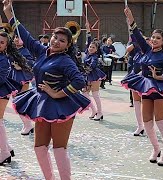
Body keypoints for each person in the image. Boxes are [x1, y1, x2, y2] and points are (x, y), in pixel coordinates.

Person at [3, 0, 90, 179]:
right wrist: (9, 14)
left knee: (59, 148)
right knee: (39, 147)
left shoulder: (65, 60)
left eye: (62, 40)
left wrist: (57, 92)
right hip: (42, 103)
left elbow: (79, 81)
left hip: (62, 104)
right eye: (55, 37)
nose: (56, 41)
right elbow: (25, 36)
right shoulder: (43, 51)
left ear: (68, 45)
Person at [122, 6, 163, 166]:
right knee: (147, 122)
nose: (154, 40)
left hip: (160, 91)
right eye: (153, 37)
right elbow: (137, 35)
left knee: (161, 121)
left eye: (158, 38)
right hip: (146, 88)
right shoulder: (146, 50)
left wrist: (160, 76)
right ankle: (155, 148)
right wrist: (131, 18)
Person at [0, 25, 22, 165]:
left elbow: (1, 78)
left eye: (2, 42)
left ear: (6, 46)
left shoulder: (4, 59)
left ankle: (4, 152)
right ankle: (7, 148)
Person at [11, 34, 35, 135]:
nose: (17, 39)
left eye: (20, 37)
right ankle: (27, 124)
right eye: (16, 37)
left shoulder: (26, 51)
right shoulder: (13, 50)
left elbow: (31, 62)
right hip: (13, 77)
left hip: (22, 78)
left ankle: (28, 124)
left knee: (20, 101)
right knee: (16, 101)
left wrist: (20, 67)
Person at [82, 22, 106, 121]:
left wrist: (86, 70)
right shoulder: (87, 53)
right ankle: (94, 110)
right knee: (85, 94)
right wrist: (88, 30)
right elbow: (89, 40)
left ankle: (100, 113)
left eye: (93, 47)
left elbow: (93, 65)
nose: (91, 48)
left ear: (96, 50)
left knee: (95, 95)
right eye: (90, 47)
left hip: (94, 75)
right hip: (87, 75)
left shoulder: (95, 57)